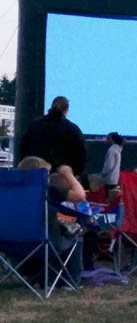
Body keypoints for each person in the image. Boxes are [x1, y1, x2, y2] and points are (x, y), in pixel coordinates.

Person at [17, 156, 87, 286]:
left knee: (61, 225)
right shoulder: (47, 190)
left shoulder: (14, 191)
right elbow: (80, 195)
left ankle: (34, 276)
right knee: (77, 231)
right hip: (44, 241)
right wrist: (68, 174)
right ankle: (69, 281)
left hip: (12, 242)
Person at [19, 96, 87, 178]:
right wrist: (76, 174)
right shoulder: (72, 129)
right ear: (66, 110)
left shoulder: (35, 125)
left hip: (34, 175)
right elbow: (81, 154)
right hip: (61, 178)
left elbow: (23, 147)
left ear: (51, 106)